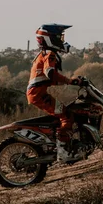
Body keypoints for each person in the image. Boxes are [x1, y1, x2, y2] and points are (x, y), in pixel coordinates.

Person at [26, 24, 85, 163]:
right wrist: (69, 81)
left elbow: (53, 79)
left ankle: (62, 141)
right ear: (49, 38)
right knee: (66, 116)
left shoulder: (45, 53)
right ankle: (63, 152)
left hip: (38, 93)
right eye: (59, 37)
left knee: (67, 110)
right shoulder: (49, 54)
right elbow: (50, 73)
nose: (61, 39)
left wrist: (70, 83)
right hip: (37, 94)